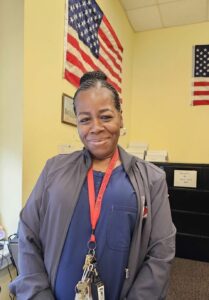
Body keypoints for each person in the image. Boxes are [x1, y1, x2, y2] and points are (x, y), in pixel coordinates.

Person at [10, 70, 176, 300]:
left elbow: (161, 253)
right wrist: (36, 294)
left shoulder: (152, 179)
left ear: (121, 116)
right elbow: (28, 234)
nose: (96, 127)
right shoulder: (53, 170)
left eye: (106, 117)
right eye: (85, 119)